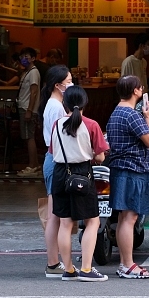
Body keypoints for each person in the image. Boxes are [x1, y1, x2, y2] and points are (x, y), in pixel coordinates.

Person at [50, 85, 110, 282]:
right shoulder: (91, 125)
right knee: (92, 221)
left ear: (64, 103)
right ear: (85, 103)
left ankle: (68, 269)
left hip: (60, 174)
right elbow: (100, 157)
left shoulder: (56, 124)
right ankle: (86, 268)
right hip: (82, 174)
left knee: (65, 223)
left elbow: (53, 152)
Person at [106, 75, 149, 279]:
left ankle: (124, 263)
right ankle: (128, 264)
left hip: (120, 168)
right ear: (136, 91)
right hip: (134, 170)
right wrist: (148, 117)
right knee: (130, 218)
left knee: (123, 218)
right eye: (140, 87)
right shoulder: (132, 115)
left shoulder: (116, 113)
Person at [38, 64, 72, 278]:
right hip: (57, 161)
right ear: (58, 85)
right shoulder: (56, 107)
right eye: (68, 81)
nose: (71, 84)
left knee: (55, 216)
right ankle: (52, 263)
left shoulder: (54, 104)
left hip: (53, 160)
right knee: (55, 216)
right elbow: (59, 139)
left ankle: (54, 261)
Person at [16, 47, 42, 178]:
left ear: (33, 58)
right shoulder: (27, 72)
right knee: (28, 136)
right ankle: (35, 165)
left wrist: (29, 110)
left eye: (27, 56)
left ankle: (32, 166)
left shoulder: (33, 73)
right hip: (25, 107)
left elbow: (34, 92)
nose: (24, 59)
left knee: (29, 137)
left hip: (27, 109)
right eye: (22, 57)